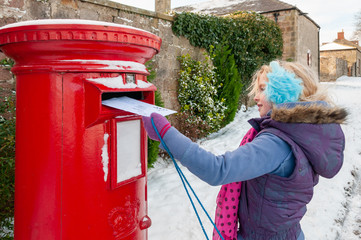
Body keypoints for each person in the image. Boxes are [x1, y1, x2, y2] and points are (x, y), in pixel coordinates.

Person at [142, 60, 347, 240]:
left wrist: (166, 133)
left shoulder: (276, 143)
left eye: (262, 89)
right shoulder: (302, 133)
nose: (255, 97)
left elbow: (218, 169)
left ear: (285, 91)